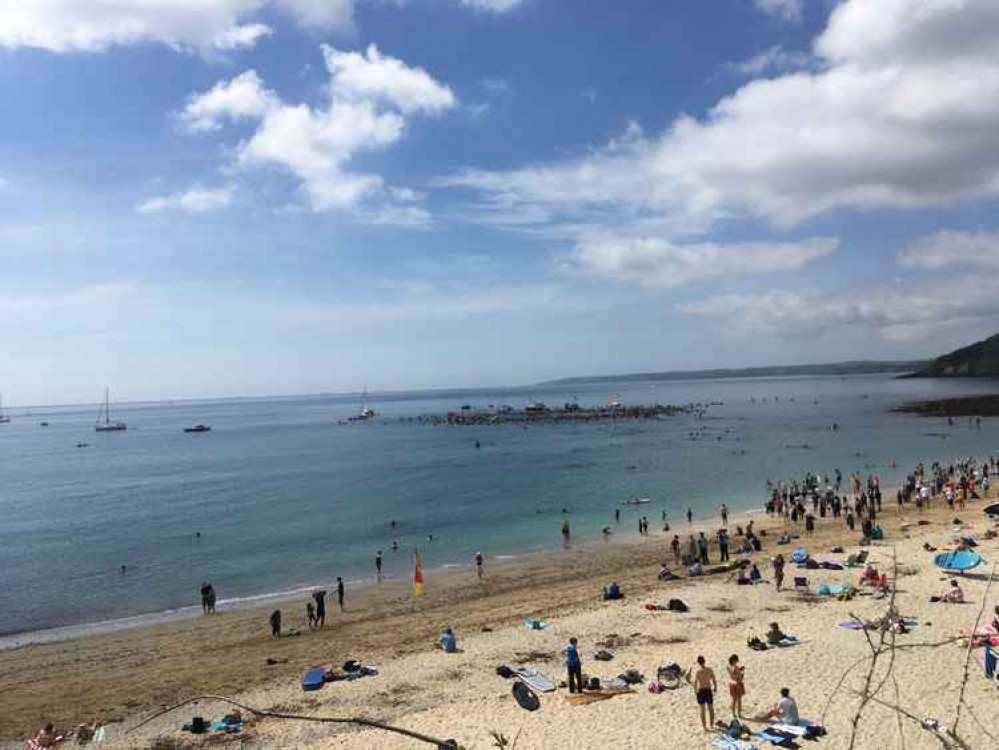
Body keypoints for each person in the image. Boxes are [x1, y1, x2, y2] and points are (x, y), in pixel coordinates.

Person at [693, 655, 718, 731]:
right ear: (704, 661)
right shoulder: (709, 670)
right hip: (708, 690)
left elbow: (695, 683)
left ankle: (704, 727)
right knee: (711, 708)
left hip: (701, 691)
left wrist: (695, 692)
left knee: (702, 710)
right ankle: (711, 725)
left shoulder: (698, 672)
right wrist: (715, 687)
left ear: (698, 663)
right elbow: (714, 680)